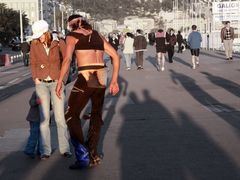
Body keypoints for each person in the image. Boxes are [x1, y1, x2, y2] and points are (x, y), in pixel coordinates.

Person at [55, 14, 120, 169]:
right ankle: (93, 154)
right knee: (96, 115)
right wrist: (114, 80)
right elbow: (116, 56)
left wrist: (59, 81)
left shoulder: (72, 36)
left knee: (71, 115)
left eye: (68, 24)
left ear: (72, 24)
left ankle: (83, 156)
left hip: (87, 75)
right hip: (102, 76)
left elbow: (67, 59)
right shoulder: (98, 35)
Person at [30, 20, 71, 160]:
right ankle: (45, 151)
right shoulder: (34, 44)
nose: (38, 37)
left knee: (60, 118)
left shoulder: (59, 42)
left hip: (57, 83)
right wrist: (35, 78)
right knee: (44, 119)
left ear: (46, 33)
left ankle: (65, 149)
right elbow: (33, 62)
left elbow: (67, 59)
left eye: (40, 35)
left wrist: (63, 80)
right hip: (41, 84)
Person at [24, 91, 41, 158]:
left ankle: (40, 150)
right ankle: (29, 150)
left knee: (42, 136)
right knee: (34, 135)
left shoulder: (50, 93)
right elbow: (31, 102)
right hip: (34, 118)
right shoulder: (37, 92)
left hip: (43, 119)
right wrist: (37, 101)